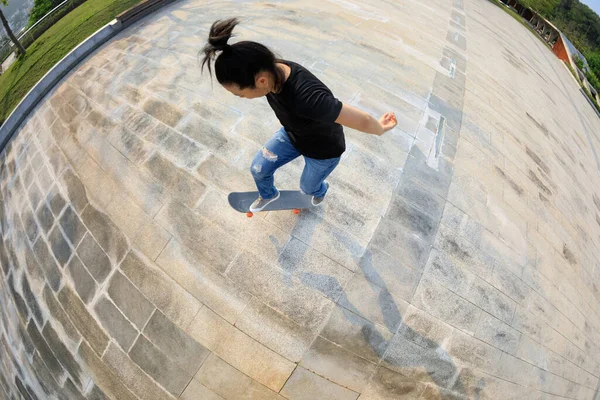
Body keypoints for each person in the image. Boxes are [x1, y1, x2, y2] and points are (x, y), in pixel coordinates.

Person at [201, 18, 397, 212]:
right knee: (258, 168)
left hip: (323, 151)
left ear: (261, 81)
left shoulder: (308, 97)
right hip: (293, 134)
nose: (241, 98)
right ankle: (269, 195)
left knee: (307, 188)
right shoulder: (271, 70)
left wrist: (380, 128)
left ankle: (320, 191)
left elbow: (362, 120)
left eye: (240, 94)